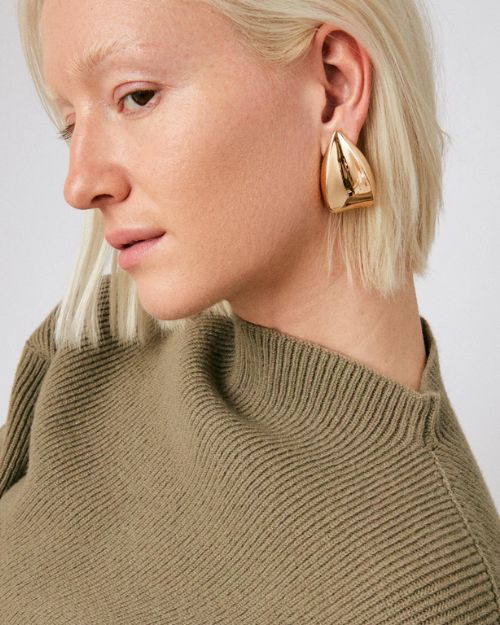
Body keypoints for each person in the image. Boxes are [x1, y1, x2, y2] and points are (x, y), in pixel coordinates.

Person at [1, 0, 499, 623]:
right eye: (70, 124)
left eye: (136, 97)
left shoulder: (435, 595)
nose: (79, 184)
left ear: (333, 88)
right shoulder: (94, 352)